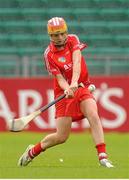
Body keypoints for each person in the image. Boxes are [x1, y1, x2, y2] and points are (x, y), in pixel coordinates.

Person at [18, 17, 114, 168]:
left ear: (66, 32)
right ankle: (32, 151)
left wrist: (75, 82)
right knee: (61, 136)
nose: (60, 38)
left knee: (93, 114)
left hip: (82, 86)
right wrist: (67, 88)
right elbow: (59, 78)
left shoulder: (72, 39)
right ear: (50, 36)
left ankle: (102, 157)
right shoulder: (49, 54)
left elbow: (77, 61)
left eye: (62, 33)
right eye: (55, 35)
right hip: (62, 92)